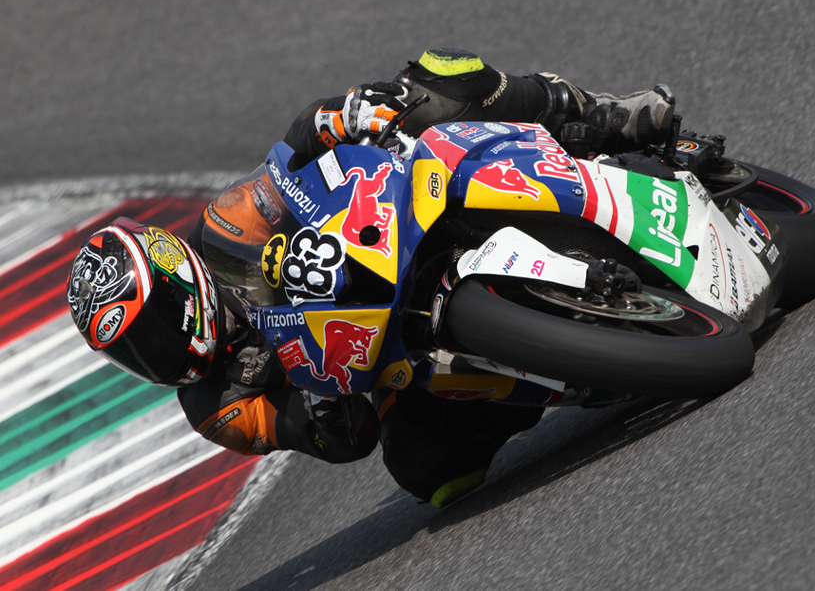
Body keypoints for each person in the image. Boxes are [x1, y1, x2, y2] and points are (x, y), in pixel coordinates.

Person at [66, 49, 674, 507]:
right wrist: (321, 403)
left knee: (437, 82)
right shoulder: (218, 409)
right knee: (427, 470)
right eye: (133, 354)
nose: (156, 353)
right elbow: (343, 441)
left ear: (174, 275)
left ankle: (602, 114)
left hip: (376, 235)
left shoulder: (227, 224)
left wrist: (345, 115)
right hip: (383, 359)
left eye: (152, 330)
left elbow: (292, 154)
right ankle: (568, 370)